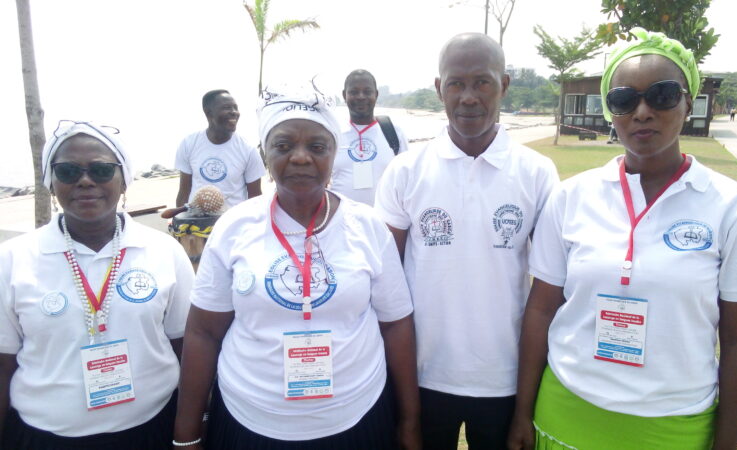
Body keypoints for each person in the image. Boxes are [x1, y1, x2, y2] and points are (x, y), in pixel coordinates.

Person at [507, 28, 737, 450]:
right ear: (610, 111)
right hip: (565, 414)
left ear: (688, 102)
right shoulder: (570, 198)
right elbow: (542, 309)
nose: (642, 112)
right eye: (623, 99)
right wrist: (522, 413)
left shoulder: (734, 208)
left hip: (673, 427)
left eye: (661, 95)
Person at [172, 86, 421, 449]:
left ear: (334, 154)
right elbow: (203, 333)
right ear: (265, 154)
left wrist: (410, 420)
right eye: (284, 145)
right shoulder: (234, 226)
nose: (300, 158)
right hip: (250, 422)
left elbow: (397, 324)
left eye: (317, 147)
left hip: (357, 418)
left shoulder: (368, 226)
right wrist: (187, 435)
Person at [374, 33, 559, 450]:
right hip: (421, 376)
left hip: (503, 378)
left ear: (505, 85)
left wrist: (526, 408)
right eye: (456, 83)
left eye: (483, 82)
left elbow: (549, 292)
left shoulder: (537, 172)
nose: (469, 97)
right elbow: (384, 287)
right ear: (439, 88)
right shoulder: (405, 171)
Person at [0, 121, 194, 449]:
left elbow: (184, 347)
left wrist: (190, 430)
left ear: (124, 181)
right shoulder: (13, 258)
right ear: (51, 183)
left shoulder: (164, 251)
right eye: (68, 171)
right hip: (44, 437)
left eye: (102, 170)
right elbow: (3, 364)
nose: (85, 181)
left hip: (151, 429)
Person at [175, 89, 266, 209]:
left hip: (232, 222)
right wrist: (180, 220)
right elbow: (184, 191)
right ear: (209, 113)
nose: (234, 112)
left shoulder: (248, 150)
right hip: (196, 221)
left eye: (235, 107)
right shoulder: (189, 143)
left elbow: (256, 198)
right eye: (227, 108)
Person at [331, 69, 409, 206]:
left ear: (376, 95)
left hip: (385, 222)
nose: (361, 97)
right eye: (354, 92)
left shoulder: (394, 133)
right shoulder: (333, 135)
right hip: (341, 222)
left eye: (367, 92)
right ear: (344, 95)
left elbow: (408, 179)